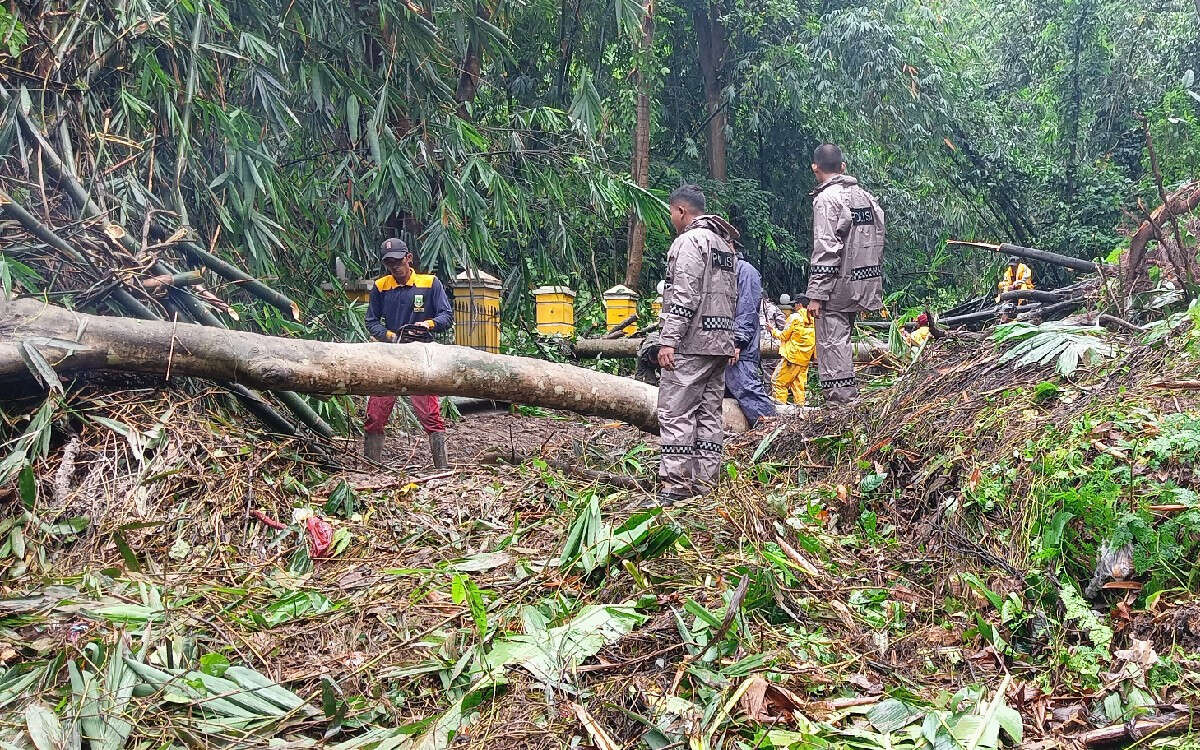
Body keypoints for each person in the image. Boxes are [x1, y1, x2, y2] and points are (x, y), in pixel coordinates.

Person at [656, 184, 739, 505]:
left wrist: (668, 340)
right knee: (709, 415)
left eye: (671, 213)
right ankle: (706, 486)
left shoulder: (689, 242)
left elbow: (684, 295)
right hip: (720, 342)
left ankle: (675, 486)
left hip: (692, 343)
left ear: (681, 211)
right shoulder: (724, 244)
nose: (671, 220)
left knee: (676, 412)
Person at [805, 144, 885, 405]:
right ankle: (848, 398)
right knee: (843, 340)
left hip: (837, 284)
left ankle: (841, 402)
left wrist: (816, 293)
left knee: (831, 342)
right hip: (863, 280)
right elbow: (878, 235)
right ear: (843, 167)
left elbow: (826, 247)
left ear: (815, 167)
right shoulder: (866, 197)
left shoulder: (827, 199)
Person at [363, 238, 454, 468]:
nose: (395, 267)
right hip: (391, 355)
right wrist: (390, 336)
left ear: (408, 258)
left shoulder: (430, 283)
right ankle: (370, 467)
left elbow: (446, 316)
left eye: (398, 261)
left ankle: (441, 467)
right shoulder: (381, 286)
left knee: (430, 414)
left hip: (422, 355)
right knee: (375, 415)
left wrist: (428, 325)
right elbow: (371, 321)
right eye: (389, 263)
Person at [725, 251, 777, 425]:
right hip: (720, 346)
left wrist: (737, 341)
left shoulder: (745, 271)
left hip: (740, 349)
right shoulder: (723, 270)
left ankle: (774, 435)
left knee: (748, 390)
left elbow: (747, 309)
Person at [770, 295, 816, 405]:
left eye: (794, 304)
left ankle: (780, 409)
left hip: (792, 357)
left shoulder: (795, 317)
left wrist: (772, 330)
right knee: (798, 386)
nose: (793, 307)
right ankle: (800, 411)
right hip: (804, 359)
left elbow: (784, 336)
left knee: (778, 382)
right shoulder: (814, 319)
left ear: (799, 305)